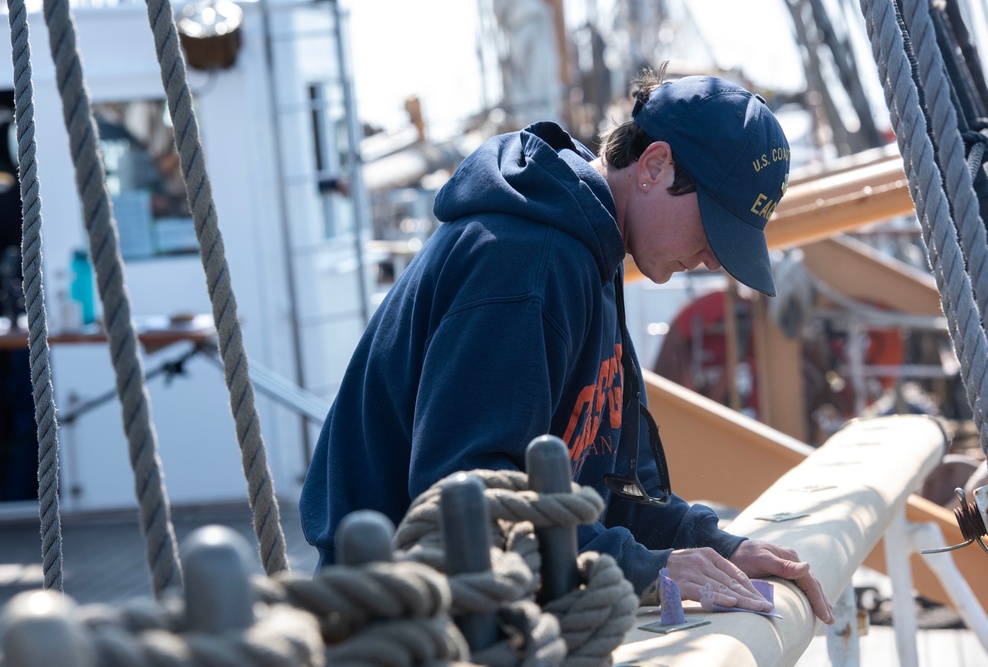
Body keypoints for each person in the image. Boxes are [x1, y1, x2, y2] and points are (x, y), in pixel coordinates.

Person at [300, 65, 834, 624]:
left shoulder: (584, 246)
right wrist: (646, 569)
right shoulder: (529, 261)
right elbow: (466, 496)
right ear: (655, 166)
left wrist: (714, 545)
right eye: (713, 229)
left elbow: (594, 482)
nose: (714, 260)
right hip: (400, 625)